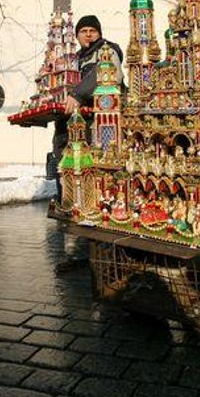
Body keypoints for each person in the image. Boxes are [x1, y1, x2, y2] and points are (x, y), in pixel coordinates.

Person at [52, 15, 122, 272]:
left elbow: (109, 74)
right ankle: (77, 251)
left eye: (93, 30)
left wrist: (77, 94)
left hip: (100, 127)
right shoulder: (74, 57)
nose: (88, 35)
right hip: (71, 129)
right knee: (71, 184)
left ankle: (104, 250)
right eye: (84, 31)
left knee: (98, 183)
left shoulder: (108, 51)